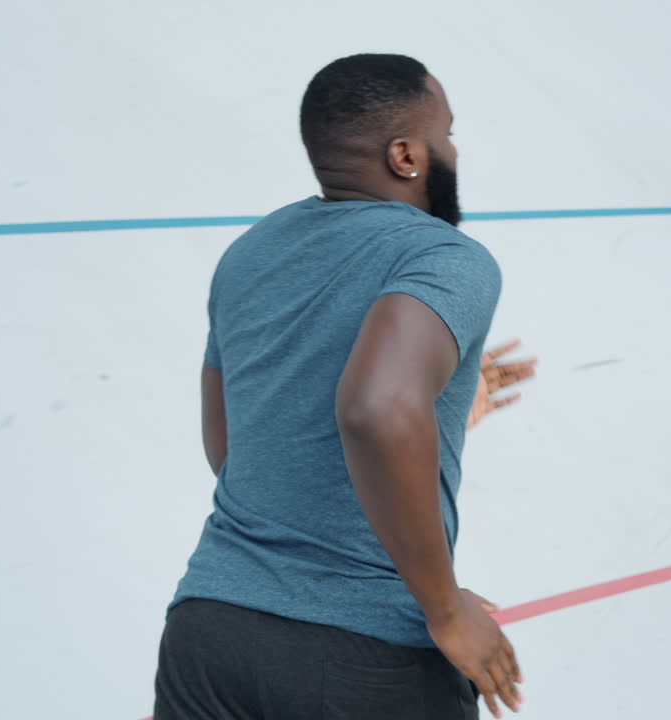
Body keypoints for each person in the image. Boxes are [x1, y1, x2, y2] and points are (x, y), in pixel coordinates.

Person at [153, 53, 536, 720]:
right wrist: (443, 607)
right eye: (446, 135)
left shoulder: (250, 253)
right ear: (406, 156)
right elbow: (379, 407)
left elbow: (236, 452)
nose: (451, 151)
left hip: (208, 633)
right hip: (362, 656)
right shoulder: (442, 258)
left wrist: (436, 420)